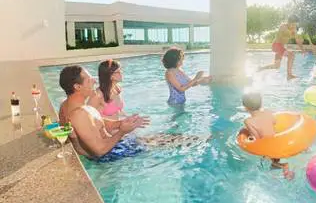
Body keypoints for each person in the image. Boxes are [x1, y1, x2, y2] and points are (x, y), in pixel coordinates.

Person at [58, 65, 204, 161]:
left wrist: (121, 123)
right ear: (77, 86)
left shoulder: (66, 105)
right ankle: (206, 138)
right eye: (89, 80)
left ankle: (201, 138)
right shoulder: (79, 114)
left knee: (164, 138)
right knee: (176, 142)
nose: (94, 81)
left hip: (113, 145)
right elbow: (99, 151)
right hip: (111, 154)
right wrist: (122, 132)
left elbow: (97, 124)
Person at [238, 91, 294, 179]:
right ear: (261, 104)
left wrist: (247, 137)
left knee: (266, 162)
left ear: (245, 107)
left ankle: (281, 168)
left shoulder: (248, 121)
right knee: (279, 159)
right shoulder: (268, 112)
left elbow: (256, 137)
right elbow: (274, 122)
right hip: (278, 141)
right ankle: (285, 169)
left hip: (267, 147)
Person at [258, 16, 306, 80]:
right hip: (276, 45)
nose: (294, 26)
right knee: (291, 55)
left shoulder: (293, 29)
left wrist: (302, 50)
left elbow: (297, 40)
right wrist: (293, 34)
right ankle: (289, 75)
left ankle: (261, 68)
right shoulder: (283, 26)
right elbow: (282, 35)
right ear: (289, 22)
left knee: (276, 66)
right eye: (293, 24)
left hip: (281, 47)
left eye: (295, 24)